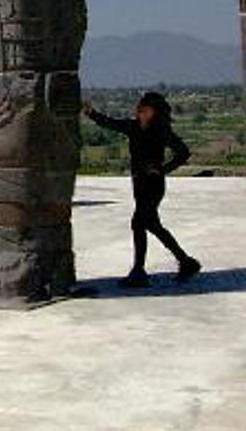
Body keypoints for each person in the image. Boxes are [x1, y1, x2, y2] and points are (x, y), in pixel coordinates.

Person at [82, 92, 201, 288]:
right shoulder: (133, 127)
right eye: (139, 108)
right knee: (152, 225)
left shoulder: (160, 131)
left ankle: (139, 271)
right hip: (139, 184)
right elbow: (110, 123)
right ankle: (186, 262)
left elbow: (183, 152)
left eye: (144, 109)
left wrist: (163, 169)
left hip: (153, 185)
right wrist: (91, 113)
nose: (139, 112)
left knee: (139, 223)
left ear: (153, 112)